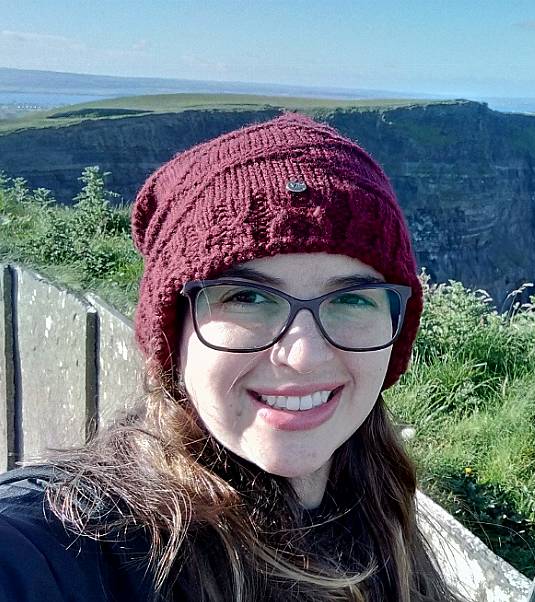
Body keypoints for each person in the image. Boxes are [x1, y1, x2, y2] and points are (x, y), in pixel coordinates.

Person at [0, 114, 464, 601]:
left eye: (351, 299)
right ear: (172, 329)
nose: (303, 355)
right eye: (246, 297)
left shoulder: (380, 506)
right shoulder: (72, 546)